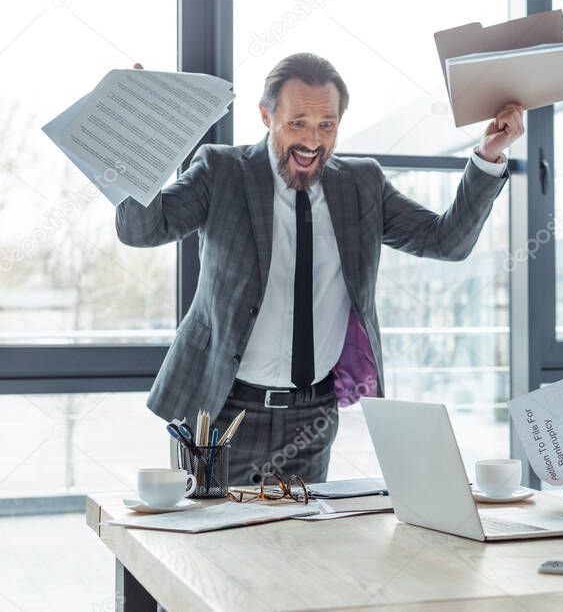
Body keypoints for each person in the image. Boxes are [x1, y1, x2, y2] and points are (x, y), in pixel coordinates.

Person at [116, 53, 523, 485]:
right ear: (266, 115)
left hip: (311, 417)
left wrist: (488, 155)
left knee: (303, 548)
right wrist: (143, 139)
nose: (312, 140)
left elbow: (447, 241)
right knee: (210, 546)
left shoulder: (361, 184)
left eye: (326, 125)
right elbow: (143, 231)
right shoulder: (221, 172)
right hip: (222, 410)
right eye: (297, 123)